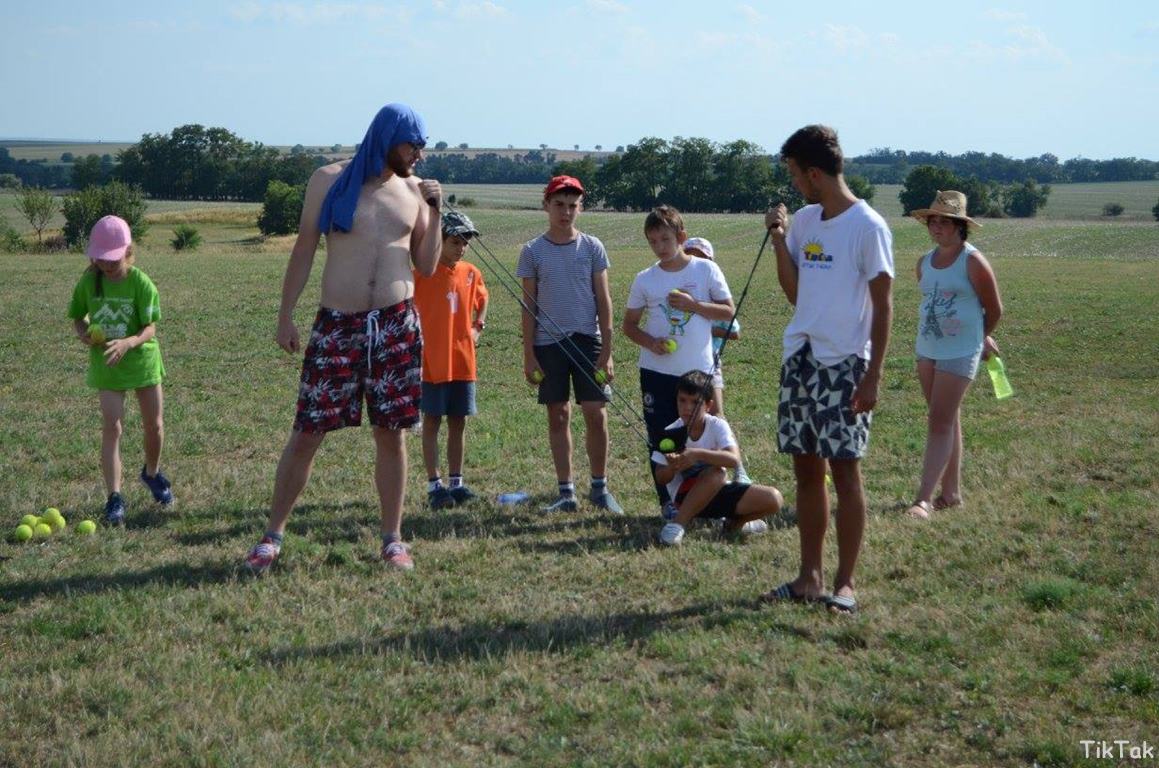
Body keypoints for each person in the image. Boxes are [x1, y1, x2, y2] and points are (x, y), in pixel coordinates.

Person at [244, 103, 443, 574]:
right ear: (387, 138)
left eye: (423, 146)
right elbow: (304, 248)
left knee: (391, 434)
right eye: (412, 145)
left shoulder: (414, 191)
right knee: (307, 432)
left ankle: (393, 540)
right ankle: (272, 536)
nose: (418, 154)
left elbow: (428, 264)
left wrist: (436, 213)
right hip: (338, 325)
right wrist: (285, 315)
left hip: (396, 326)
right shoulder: (328, 180)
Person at [762, 125, 894, 614]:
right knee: (806, 471)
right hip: (801, 358)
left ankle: (845, 583)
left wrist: (873, 374)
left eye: (796, 175)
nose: (795, 184)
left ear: (815, 173)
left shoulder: (868, 227)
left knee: (845, 472)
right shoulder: (804, 221)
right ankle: (809, 578)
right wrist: (780, 241)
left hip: (846, 364)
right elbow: (796, 293)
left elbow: (884, 305)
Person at [517, 175, 622, 514]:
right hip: (548, 345)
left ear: (581, 208)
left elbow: (604, 301)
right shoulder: (532, 251)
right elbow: (528, 307)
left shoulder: (592, 247)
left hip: (588, 341)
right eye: (559, 205)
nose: (566, 212)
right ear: (546, 206)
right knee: (558, 415)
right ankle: (566, 492)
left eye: (572, 206)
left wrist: (607, 352)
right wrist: (529, 355)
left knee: (596, 413)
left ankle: (600, 488)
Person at [623, 207, 735, 520]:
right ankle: (668, 502)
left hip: (697, 373)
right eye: (653, 241)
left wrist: (693, 305)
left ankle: (707, 499)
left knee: (702, 434)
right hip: (656, 373)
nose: (660, 247)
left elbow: (729, 312)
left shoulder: (705, 270)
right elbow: (629, 325)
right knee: (661, 437)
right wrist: (650, 342)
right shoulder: (645, 279)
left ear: (681, 237)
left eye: (666, 239)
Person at [67, 215, 172, 525]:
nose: (106, 265)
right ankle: (114, 497)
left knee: (154, 425)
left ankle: (151, 473)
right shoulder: (89, 282)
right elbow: (77, 317)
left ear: (128, 251)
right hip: (108, 365)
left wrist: (128, 342)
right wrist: (84, 334)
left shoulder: (141, 283)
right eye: (101, 259)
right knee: (112, 427)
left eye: (112, 259)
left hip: (141, 361)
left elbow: (150, 328)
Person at [905, 190, 1003, 519]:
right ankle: (951, 493)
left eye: (944, 222)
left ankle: (923, 500)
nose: (936, 227)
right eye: (932, 221)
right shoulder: (924, 263)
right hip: (927, 349)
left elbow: (994, 309)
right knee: (946, 418)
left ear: (960, 226)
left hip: (960, 351)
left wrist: (981, 337)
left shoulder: (972, 261)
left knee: (939, 421)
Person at [412, 210, 489, 509]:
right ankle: (435, 485)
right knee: (432, 420)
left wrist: (478, 327)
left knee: (459, 421)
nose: (462, 248)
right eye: (455, 241)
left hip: (462, 360)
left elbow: (483, 299)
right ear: (440, 240)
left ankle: (456, 483)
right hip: (432, 360)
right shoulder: (422, 273)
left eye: (465, 243)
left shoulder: (471, 272)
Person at [654, 371, 783, 546]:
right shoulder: (670, 432)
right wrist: (672, 466)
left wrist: (696, 454)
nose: (687, 407)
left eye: (695, 402)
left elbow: (734, 459)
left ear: (708, 405)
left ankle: (734, 524)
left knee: (774, 498)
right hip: (685, 500)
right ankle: (677, 524)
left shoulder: (717, 425)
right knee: (717, 473)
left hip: (718, 492)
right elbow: (661, 477)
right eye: (682, 400)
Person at [682, 235, 750, 484]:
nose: (696, 261)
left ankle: (737, 468)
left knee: (716, 413)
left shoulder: (714, 296)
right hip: (681, 361)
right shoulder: (679, 293)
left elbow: (735, 331)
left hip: (709, 361)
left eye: (702, 258)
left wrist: (705, 328)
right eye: (691, 255)